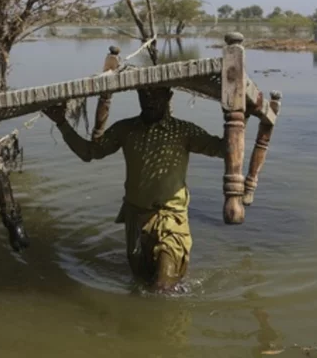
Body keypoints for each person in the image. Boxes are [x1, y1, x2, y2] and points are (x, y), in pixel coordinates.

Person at [44, 86, 225, 292]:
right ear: (137, 96)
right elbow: (90, 152)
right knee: (141, 284)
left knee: (163, 286)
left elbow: (222, 149)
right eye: (144, 95)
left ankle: (165, 315)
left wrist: (239, 120)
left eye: (156, 94)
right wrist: (61, 122)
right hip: (136, 219)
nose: (149, 100)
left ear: (168, 96)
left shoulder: (183, 131)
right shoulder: (126, 129)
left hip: (171, 220)